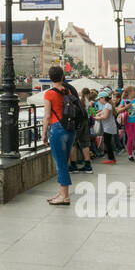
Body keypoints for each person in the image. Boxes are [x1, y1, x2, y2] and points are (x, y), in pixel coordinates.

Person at [43, 66, 76, 205]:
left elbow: (46, 116)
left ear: (50, 77)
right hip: (70, 129)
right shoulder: (69, 90)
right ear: (63, 76)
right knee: (64, 161)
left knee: (60, 163)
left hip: (57, 129)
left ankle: (65, 197)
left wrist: (44, 134)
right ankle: (62, 192)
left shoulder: (49, 94)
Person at [95, 88, 118, 164]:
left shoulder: (107, 106)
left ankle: (111, 159)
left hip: (108, 128)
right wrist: (96, 115)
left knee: (108, 143)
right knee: (107, 142)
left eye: (99, 99)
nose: (99, 101)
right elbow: (102, 113)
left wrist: (97, 118)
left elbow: (105, 116)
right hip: (108, 127)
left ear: (103, 98)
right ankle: (111, 158)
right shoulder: (107, 105)